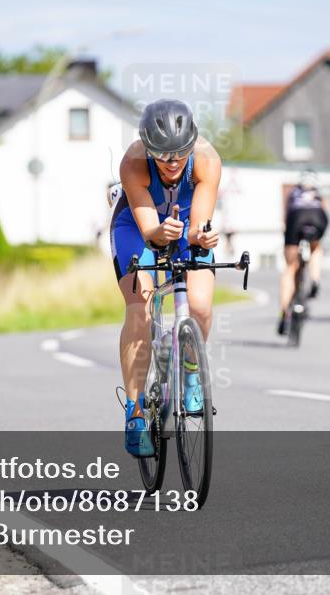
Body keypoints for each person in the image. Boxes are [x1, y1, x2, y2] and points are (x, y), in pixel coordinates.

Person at [110, 99, 221, 457]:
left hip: (184, 224)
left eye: (179, 154)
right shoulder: (133, 162)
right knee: (139, 309)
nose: (172, 163)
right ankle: (136, 410)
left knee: (200, 305)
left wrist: (200, 236)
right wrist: (162, 231)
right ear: (147, 147)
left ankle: (190, 370)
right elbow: (151, 233)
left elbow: (198, 224)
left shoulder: (207, 160)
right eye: (162, 154)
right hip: (138, 227)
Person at [278, 171, 329, 335]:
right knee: (317, 248)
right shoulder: (318, 194)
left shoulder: (293, 194)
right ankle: (315, 278)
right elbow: (326, 211)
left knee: (290, 268)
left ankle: (285, 313)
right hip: (317, 217)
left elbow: (286, 218)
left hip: (295, 219)